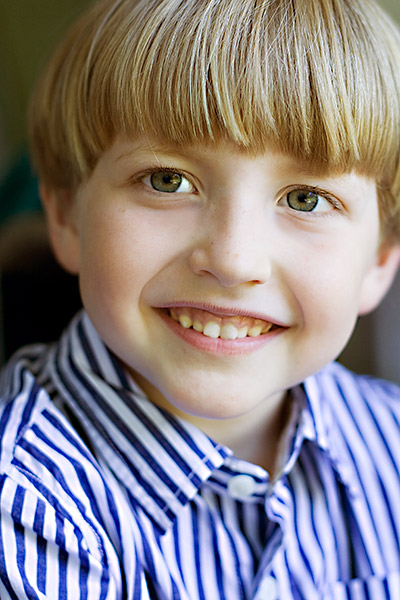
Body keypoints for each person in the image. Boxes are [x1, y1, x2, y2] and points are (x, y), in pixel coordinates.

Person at [1, 0, 400, 597]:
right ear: (65, 214)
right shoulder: (24, 507)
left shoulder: (391, 442)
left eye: (306, 199)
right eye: (168, 181)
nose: (233, 260)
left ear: (380, 258)